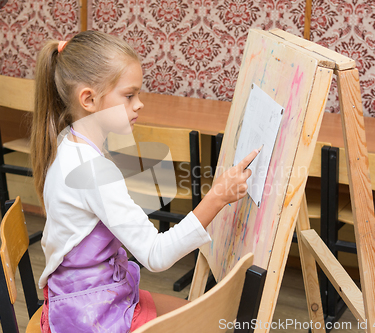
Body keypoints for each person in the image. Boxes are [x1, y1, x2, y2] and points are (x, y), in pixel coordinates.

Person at [31, 30, 259, 333]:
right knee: (213, 323)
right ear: (88, 99)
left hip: (81, 300)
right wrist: (217, 197)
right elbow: (156, 254)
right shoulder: (92, 171)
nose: (139, 104)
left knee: (203, 317)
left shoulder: (68, 142)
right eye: (129, 95)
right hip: (90, 316)